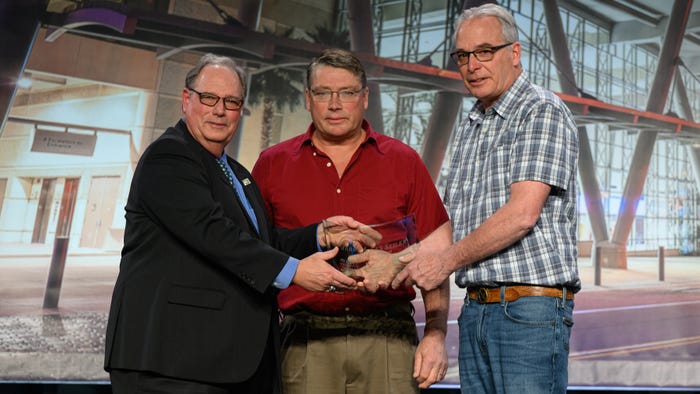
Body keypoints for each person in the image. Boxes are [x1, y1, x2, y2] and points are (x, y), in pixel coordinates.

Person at [103, 53, 381, 394]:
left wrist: (320, 234)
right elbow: (215, 234)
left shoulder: (236, 173)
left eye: (232, 102)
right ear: (187, 99)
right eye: (209, 98)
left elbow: (257, 241)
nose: (220, 110)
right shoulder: (169, 157)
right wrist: (294, 272)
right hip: (172, 365)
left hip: (224, 364)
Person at [355, 3, 580, 393]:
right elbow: (451, 230)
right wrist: (396, 261)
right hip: (476, 309)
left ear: (515, 53)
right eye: (463, 55)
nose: (472, 64)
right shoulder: (472, 124)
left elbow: (522, 214)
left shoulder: (540, 109)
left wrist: (443, 263)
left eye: (485, 51)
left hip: (528, 310)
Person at [251, 48, 453, 393]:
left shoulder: (404, 161)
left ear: (364, 98)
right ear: (307, 98)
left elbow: (436, 252)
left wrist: (435, 333)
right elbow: (252, 254)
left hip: (388, 340)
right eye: (323, 92)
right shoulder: (272, 164)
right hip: (305, 342)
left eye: (346, 92)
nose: (334, 104)